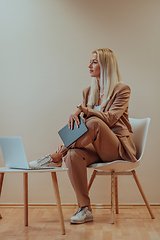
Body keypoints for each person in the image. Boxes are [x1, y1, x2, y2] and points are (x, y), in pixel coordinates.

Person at [29, 48, 137, 224]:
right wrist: (74, 135)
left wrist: (83, 109)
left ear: (106, 65)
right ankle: (84, 208)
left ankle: (57, 156)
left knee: (95, 122)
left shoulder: (122, 89)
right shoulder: (88, 91)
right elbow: (82, 126)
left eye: (94, 62)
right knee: (73, 155)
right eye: (90, 61)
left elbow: (109, 119)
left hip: (117, 148)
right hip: (94, 147)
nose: (89, 66)